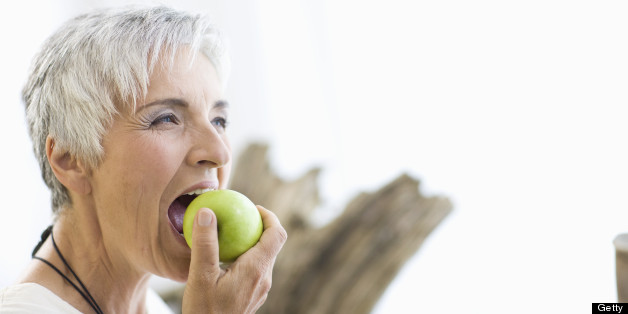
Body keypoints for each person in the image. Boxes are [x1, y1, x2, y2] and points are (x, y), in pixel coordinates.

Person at [0, 5, 287, 313]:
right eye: (166, 119)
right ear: (71, 159)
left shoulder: (153, 307)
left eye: (218, 120)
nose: (219, 153)